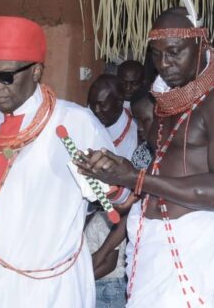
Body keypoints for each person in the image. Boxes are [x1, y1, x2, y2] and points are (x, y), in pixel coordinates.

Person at [0, 16, 115, 308]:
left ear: (36, 72)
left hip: (43, 290)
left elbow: (113, 197)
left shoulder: (73, 122)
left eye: (6, 76)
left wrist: (109, 184)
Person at [77, 7, 214, 307]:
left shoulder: (213, 102)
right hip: (150, 246)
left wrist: (136, 178)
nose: (164, 64)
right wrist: (120, 177)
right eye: (156, 54)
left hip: (192, 247)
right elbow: (160, 176)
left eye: (174, 52)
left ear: (201, 46)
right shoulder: (164, 102)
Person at [86, 74, 138, 307]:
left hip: (117, 221)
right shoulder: (88, 122)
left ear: (119, 103)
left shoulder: (135, 134)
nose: (95, 110)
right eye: (92, 103)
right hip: (91, 218)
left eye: (101, 104)